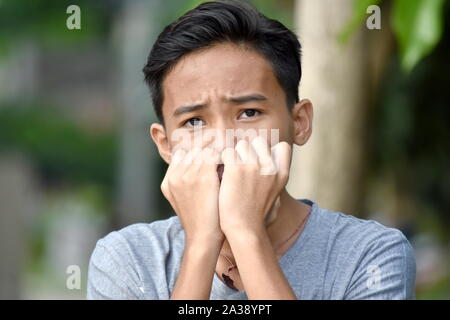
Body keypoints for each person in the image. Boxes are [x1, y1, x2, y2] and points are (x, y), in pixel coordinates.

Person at [87, 0, 416, 300]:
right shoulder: (127, 258)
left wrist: (246, 234)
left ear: (299, 122)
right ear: (165, 144)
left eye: (249, 113)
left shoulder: (371, 254)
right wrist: (202, 245)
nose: (223, 142)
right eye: (194, 121)